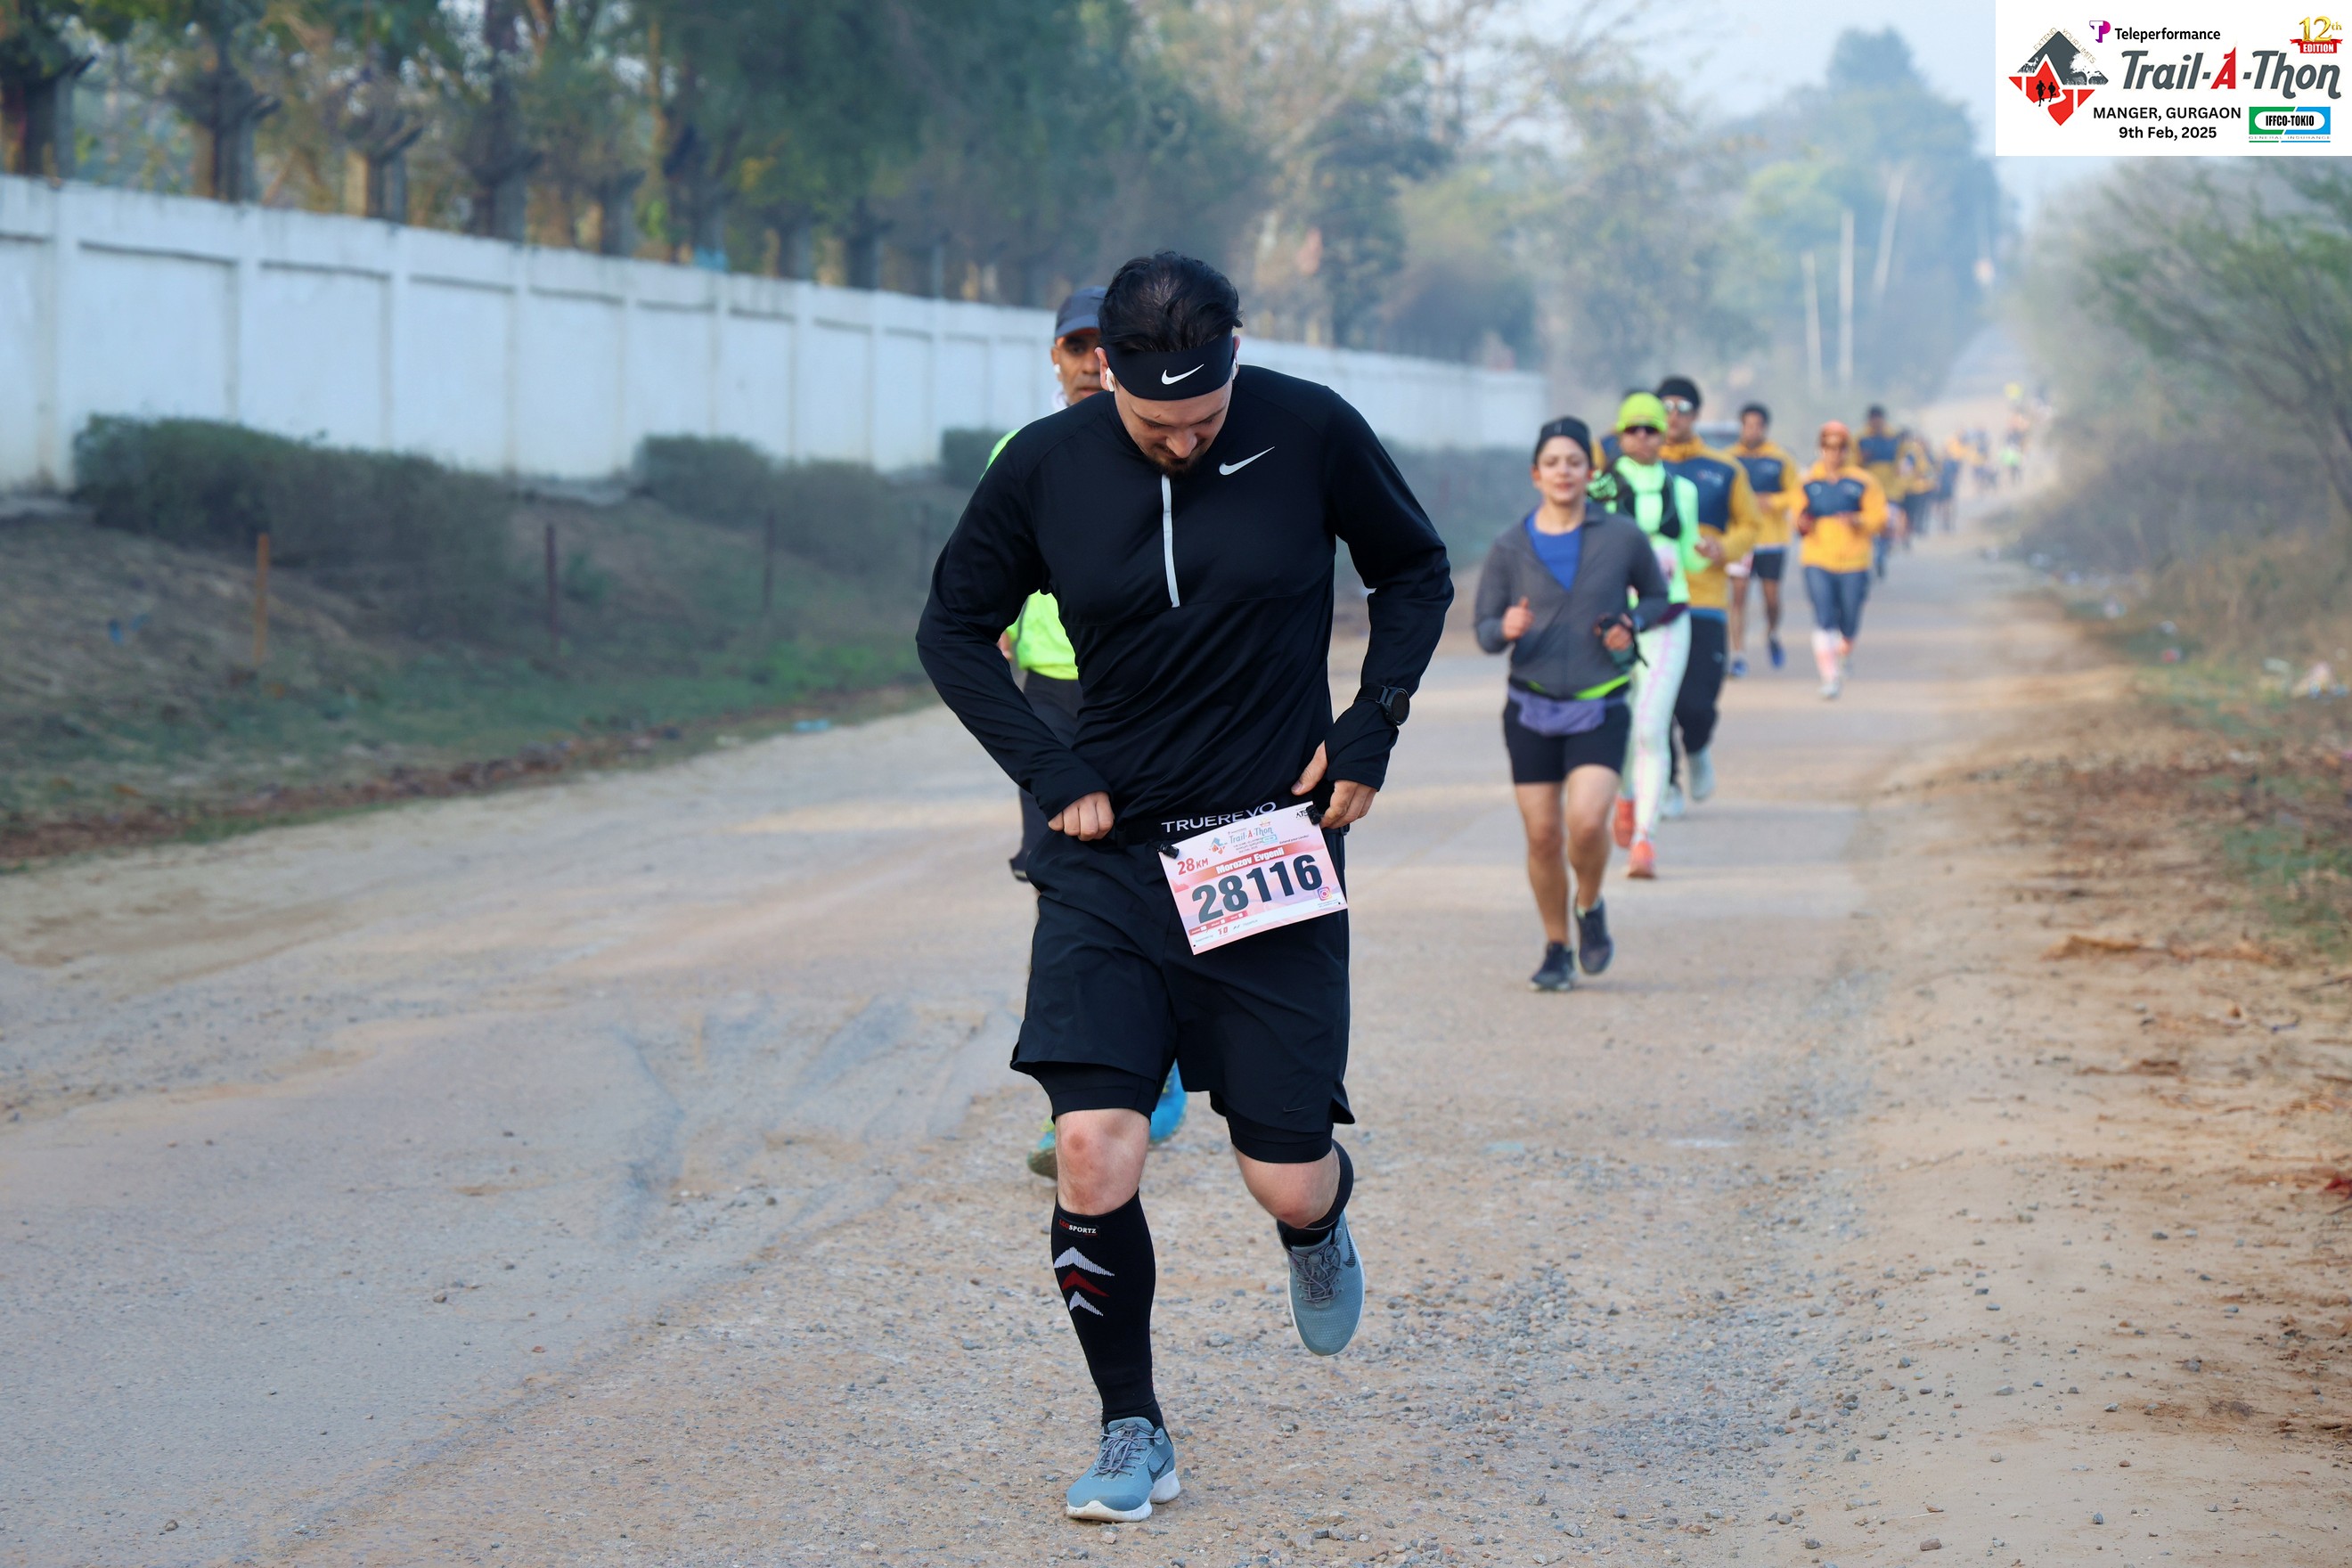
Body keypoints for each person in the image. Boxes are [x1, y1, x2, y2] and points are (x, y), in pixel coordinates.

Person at [916, 251, 1451, 1524]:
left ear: (1234, 362)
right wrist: (1049, 767)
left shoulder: (1310, 428)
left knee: (1285, 1173)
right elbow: (952, 629)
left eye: (1205, 420)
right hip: (1109, 860)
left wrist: (1370, 725)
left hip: (1264, 847)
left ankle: (1317, 1227)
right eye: (1159, 426)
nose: (1184, 443)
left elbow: (1414, 571)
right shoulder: (1045, 466)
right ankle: (1132, 1427)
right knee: (1092, 1146)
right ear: (1105, 370)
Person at [999, 287, 1188, 1180]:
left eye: (1105, 348)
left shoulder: (1165, 446)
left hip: (1150, 696)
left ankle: (1165, 1066)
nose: (1091, 364)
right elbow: (988, 563)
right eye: (1076, 348)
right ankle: (1074, 1100)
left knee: (1165, 875)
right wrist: (999, 622)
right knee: (1063, 882)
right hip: (1052, 699)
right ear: (1055, 357)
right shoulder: (1022, 451)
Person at [1476, 416, 1671, 990]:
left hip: (1600, 702)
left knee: (1586, 825)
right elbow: (1484, 629)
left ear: (1591, 472)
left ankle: (1589, 904)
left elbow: (1657, 596)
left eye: (1575, 462)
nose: (1564, 471)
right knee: (1543, 836)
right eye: (1553, 463)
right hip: (1530, 706)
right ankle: (1557, 947)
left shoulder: (1622, 537)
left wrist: (1632, 623)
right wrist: (1504, 627)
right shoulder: (1510, 545)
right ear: (1536, 475)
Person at [1590, 392, 1703, 881]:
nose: (1642, 438)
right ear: (1619, 434)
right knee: (1620, 724)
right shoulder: (1598, 489)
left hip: (1668, 618)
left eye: (1651, 429)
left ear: (1664, 435)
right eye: (1633, 429)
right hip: (1610, 626)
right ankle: (1626, 796)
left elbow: (1692, 556)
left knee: (1651, 726)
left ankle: (1644, 840)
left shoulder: (1683, 491)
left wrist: (1715, 552)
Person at [1654, 376, 1761, 815]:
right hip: (1651, 602)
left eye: (1682, 408)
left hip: (1704, 600)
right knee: (1656, 702)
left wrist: (1725, 548)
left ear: (1696, 414)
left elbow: (1749, 525)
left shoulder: (1724, 470)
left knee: (1696, 703)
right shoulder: (1634, 472)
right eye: (1665, 407)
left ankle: (1697, 748)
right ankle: (1667, 784)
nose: (1673, 416)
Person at [1795, 421, 1887, 698]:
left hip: (1854, 561)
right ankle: (1830, 677)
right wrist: (1802, 523)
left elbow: (1879, 518)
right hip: (1817, 559)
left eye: (1840, 447)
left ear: (1848, 450)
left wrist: (1858, 520)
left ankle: (1844, 651)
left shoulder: (1863, 482)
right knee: (1824, 618)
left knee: (1849, 620)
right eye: (1828, 447)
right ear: (1820, 448)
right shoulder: (1808, 482)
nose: (1834, 453)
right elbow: (1796, 516)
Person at [1728, 402, 1802, 674]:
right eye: (1748, 425)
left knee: (1771, 599)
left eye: (1757, 426)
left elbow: (1797, 493)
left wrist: (1772, 501)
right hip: (1740, 539)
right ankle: (1738, 654)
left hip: (1771, 539)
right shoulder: (1729, 459)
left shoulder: (1780, 459)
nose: (1752, 430)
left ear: (1765, 428)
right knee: (1738, 596)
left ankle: (1771, 632)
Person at [1856, 405, 1905, 579]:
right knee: (1869, 526)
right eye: (1873, 420)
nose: (1876, 423)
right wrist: (1862, 458)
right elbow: (1853, 465)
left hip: (1889, 490)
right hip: (1867, 492)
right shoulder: (1860, 439)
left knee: (1887, 525)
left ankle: (1881, 557)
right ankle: (1871, 557)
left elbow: (1902, 462)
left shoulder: (1894, 438)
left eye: (1879, 419)